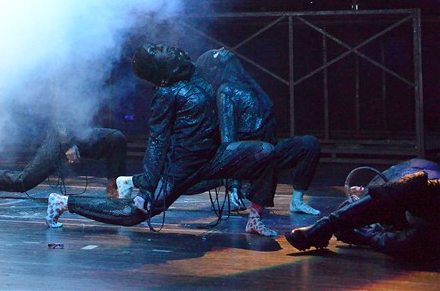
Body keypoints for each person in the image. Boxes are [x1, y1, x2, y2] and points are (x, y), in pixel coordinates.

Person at [45, 43, 278, 236]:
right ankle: (63, 202)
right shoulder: (166, 94)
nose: (162, 48)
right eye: (155, 51)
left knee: (265, 152)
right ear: (158, 69)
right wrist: (147, 189)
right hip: (181, 169)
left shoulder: (193, 72)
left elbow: (216, 60)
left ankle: (254, 220)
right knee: (133, 214)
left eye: (157, 46)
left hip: (213, 157)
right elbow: (158, 142)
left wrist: (222, 55)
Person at [194, 48, 321, 215]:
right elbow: (228, 136)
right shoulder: (226, 91)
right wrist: (233, 185)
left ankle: (297, 201)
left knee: (309, 144)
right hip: (246, 157)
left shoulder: (251, 87)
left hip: (266, 152)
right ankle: (235, 189)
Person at [285, 161, 440, 259]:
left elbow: (393, 241)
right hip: (412, 177)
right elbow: (382, 194)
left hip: (416, 211)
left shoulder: (424, 230)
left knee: (405, 240)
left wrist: (364, 232)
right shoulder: (417, 187)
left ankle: (337, 226)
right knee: (388, 199)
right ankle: (328, 226)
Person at [0, 123, 127, 197]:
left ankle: (113, 187)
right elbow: (58, 113)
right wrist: (67, 144)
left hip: (79, 133)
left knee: (116, 138)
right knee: (23, 182)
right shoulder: (60, 83)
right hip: (60, 138)